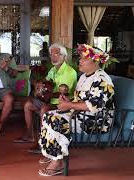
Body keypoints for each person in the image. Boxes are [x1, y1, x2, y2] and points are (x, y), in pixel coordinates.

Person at [38, 44, 115, 176]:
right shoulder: (84, 76)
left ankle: (58, 163)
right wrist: (69, 102)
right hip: (82, 114)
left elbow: (93, 106)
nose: (79, 61)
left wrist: (70, 106)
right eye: (80, 58)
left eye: (83, 59)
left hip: (96, 120)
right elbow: (79, 99)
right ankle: (53, 153)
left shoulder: (102, 80)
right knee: (48, 115)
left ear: (95, 62)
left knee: (57, 120)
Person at [15, 44, 77, 153]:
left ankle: (43, 142)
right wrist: (39, 86)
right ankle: (30, 135)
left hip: (63, 103)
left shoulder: (70, 72)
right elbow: (46, 82)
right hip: (49, 101)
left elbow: (63, 93)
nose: (53, 56)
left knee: (44, 108)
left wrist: (46, 93)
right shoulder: (53, 69)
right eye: (51, 54)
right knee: (28, 104)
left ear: (64, 56)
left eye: (57, 54)